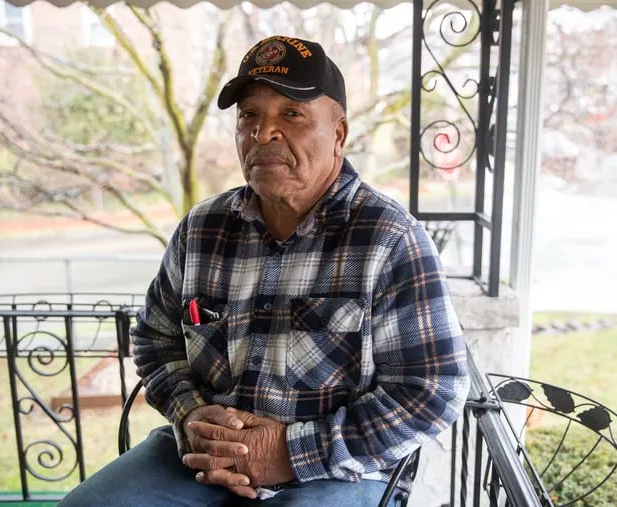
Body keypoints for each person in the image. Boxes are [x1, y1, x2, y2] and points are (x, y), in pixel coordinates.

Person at [59, 34, 468, 507]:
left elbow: (430, 391)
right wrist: (193, 419)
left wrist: (286, 453)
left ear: (338, 134)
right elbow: (156, 339)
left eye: (291, 115)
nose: (263, 132)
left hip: (336, 472)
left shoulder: (388, 239)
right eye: (249, 116)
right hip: (199, 459)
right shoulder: (202, 229)